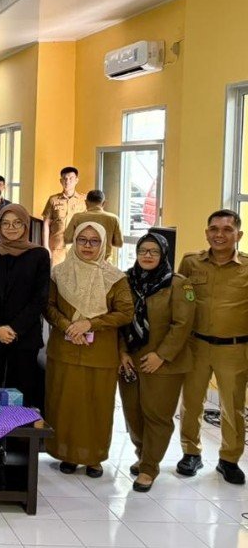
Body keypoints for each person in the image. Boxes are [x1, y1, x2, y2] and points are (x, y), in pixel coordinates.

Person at [44, 222, 133, 478]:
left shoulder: (115, 277)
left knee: (97, 406)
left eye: (94, 241)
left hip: (100, 352)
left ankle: (94, 457)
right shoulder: (59, 273)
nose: (87, 246)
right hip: (64, 350)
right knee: (65, 404)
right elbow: (48, 306)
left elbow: (126, 312)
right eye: (82, 239)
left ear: (103, 244)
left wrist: (90, 324)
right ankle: (67, 454)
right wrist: (68, 326)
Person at [176, 209, 248, 484]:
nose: (220, 235)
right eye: (214, 229)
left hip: (234, 349)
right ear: (207, 233)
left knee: (233, 406)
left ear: (238, 235)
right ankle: (190, 452)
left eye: (227, 229)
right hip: (196, 344)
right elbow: (180, 301)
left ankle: (229, 459)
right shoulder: (191, 263)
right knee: (192, 402)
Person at [118, 233, 194, 492]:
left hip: (165, 362)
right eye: (143, 251)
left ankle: (149, 467)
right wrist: (122, 352)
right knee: (133, 413)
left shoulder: (177, 284)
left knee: (157, 415)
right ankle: (142, 454)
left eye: (154, 251)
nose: (147, 255)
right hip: (131, 360)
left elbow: (182, 325)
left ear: (163, 255)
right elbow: (118, 319)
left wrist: (160, 355)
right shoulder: (126, 281)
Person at [0, 204, 50, 411]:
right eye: (5, 223)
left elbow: (40, 297)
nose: (11, 228)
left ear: (26, 225)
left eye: (17, 223)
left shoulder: (39, 255)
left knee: (21, 393)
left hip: (25, 335)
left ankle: (18, 433)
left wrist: (15, 328)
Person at [42, 167, 87, 265]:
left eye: (71, 178)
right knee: (56, 273)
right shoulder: (53, 200)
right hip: (56, 247)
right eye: (65, 178)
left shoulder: (83, 200)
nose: (67, 181)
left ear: (76, 180)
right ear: (61, 181)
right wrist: (45, 247)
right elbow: (46, 224)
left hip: (76, 248)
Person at [65, 190, 123, 263]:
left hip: (82, 262)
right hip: (105, 262)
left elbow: (67, 239)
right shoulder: (113, 218)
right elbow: (119, 243)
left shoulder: (77, 217)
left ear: (86, 203)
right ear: (104, 203)